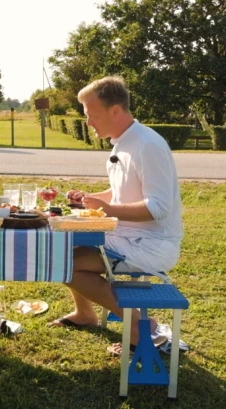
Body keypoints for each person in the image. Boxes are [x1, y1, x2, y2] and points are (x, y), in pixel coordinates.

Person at [48, 76, 184, 356]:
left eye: (91, 115)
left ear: (115, 110)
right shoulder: (123, 142)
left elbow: (159, 207)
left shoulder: (147, 145)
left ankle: (138, 328)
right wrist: (92, 198)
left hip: (151, 244)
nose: (88, 123)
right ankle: (84, 314)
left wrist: (105, 209)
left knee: (63, 263)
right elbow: (123, 190)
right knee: (63, 247)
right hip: (127, 236)